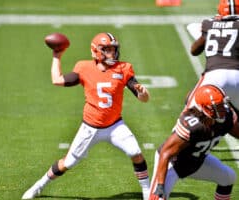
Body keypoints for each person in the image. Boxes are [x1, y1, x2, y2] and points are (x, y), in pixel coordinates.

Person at [22, 32, 151, 200]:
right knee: (68, 163)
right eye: (107, 49)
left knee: (136, 152)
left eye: (113, 49)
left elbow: (143, 99)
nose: (112, 53)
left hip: (115, 125)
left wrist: (143, 92)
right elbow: (57, 80)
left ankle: (148, 192)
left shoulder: (123, 68)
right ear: (96, 51)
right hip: (90, 127)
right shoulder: (85, 68)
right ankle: (39, 185)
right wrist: (56, 56)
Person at [149, 85, 239, 200]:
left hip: (197, 161)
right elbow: (165, 153)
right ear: (206, 109)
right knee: (157, 198)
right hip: (174, 163)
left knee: (228, 177)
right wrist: (160, 185)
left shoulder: (226, 117)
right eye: (218, 107)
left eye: (222, 103)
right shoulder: (193, 125)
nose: (223, 108)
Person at [186, 0, 239, 113]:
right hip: (237, 74)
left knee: (190, 107)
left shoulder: (209, 24)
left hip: (214, 76)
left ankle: (180, 130)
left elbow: (194, 51)